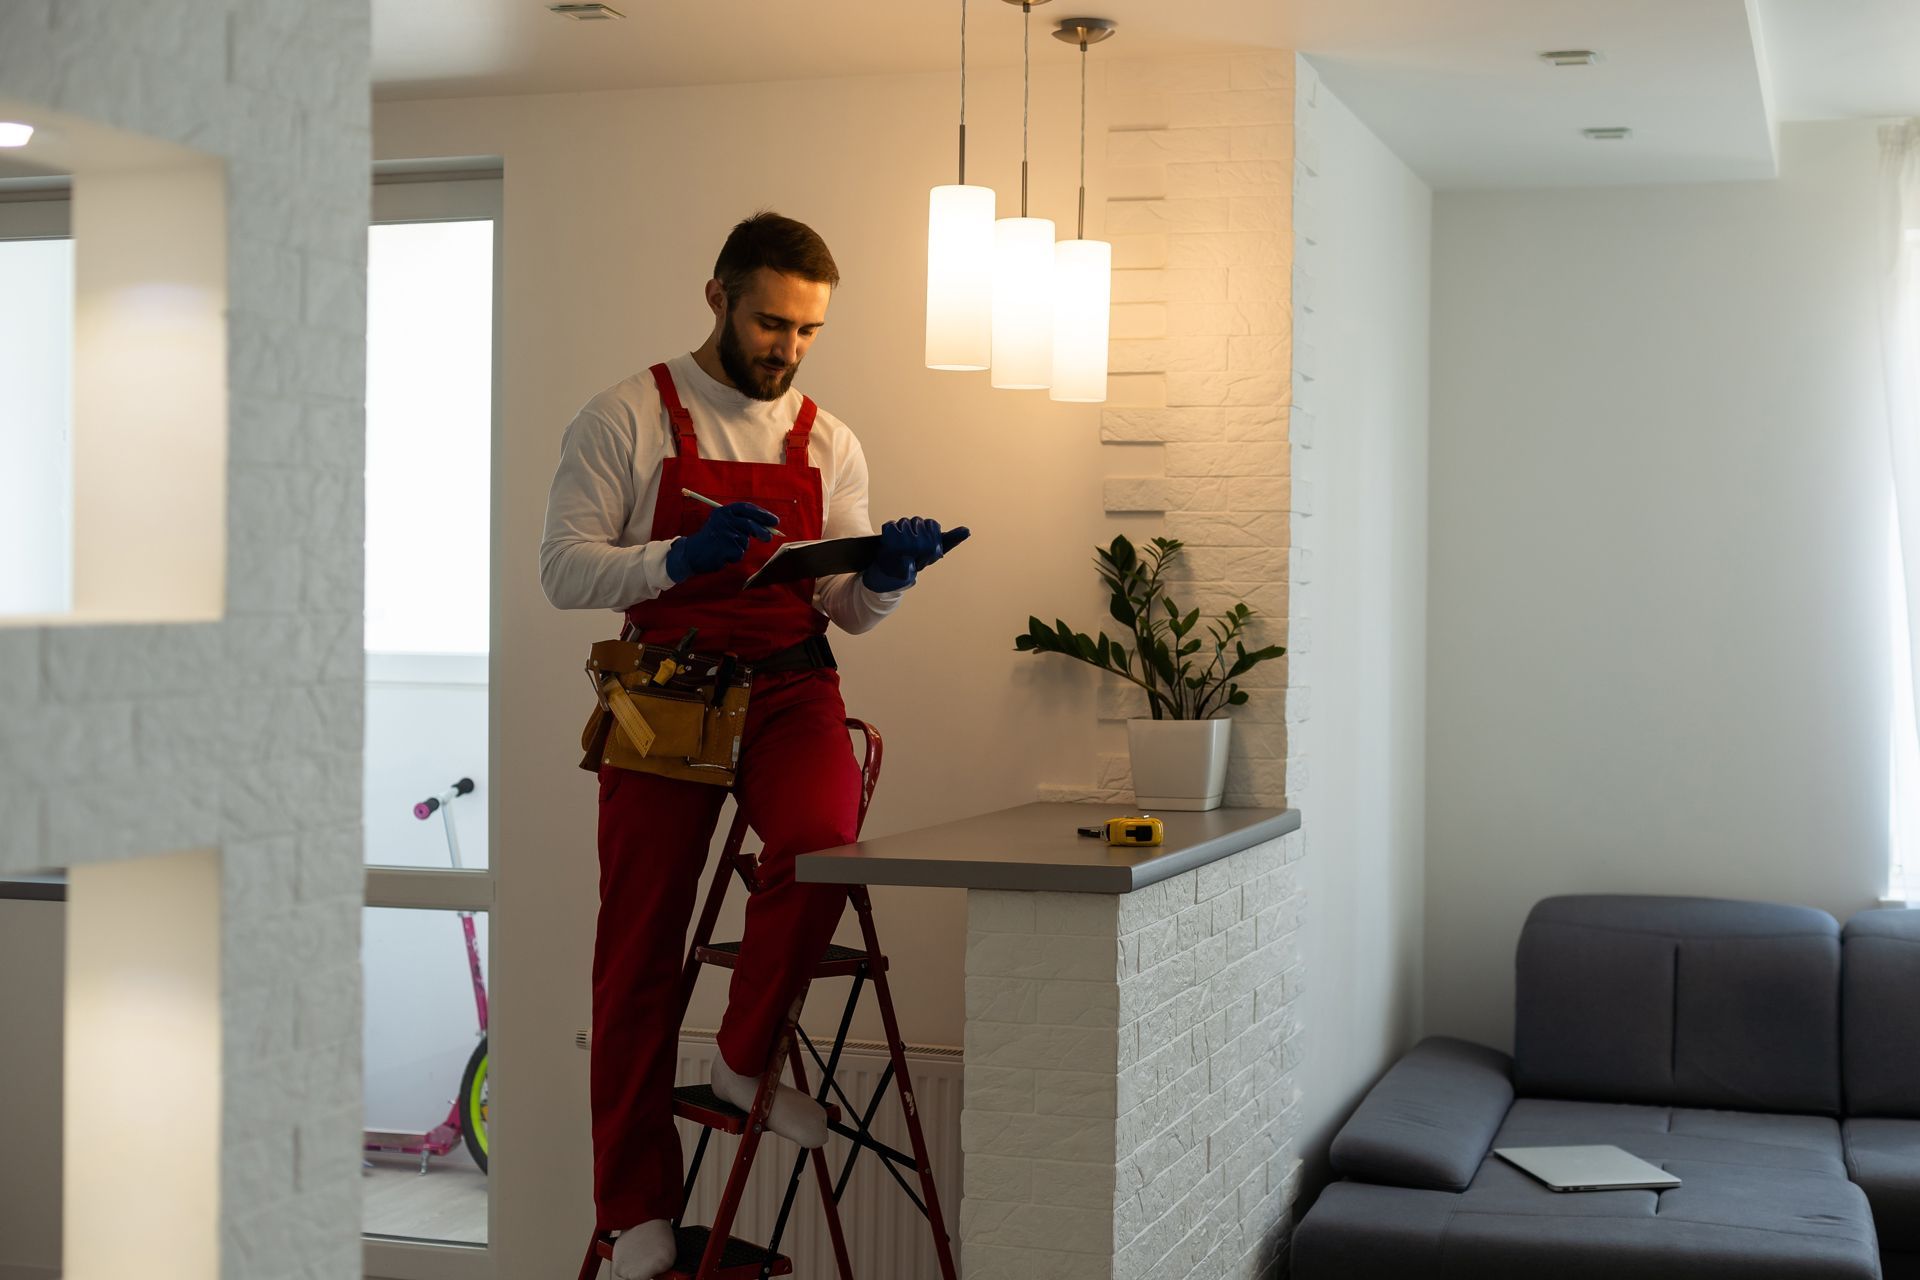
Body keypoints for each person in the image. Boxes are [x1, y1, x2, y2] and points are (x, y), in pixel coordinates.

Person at [539, 211, 965, 1280]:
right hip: (667, 693)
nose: (788, 346)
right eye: (773, 320)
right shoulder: (626, 415)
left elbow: (848, 611)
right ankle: (635, 1202)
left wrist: (885, 577)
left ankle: (742, 1053)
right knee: (634, 948)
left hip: (790, 686)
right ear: (718, 295)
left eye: (809, 328)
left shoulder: (830, 441)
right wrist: (677, 554)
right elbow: (563, 570)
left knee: (824, 841)